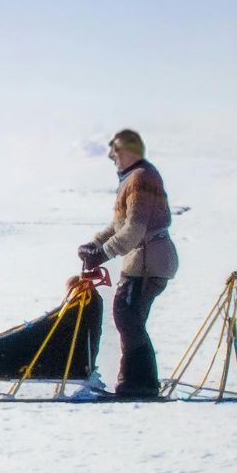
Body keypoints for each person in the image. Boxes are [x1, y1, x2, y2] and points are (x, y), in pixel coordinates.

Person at [79, 129, 178, 399]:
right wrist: (94, 245)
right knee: (129, 317)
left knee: (129, 317)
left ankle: (139, 384)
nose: (112, 158)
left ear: (127, 152)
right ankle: (138, 382)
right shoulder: (133, 178)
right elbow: (118, 225)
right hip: (144, 259)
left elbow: (135, 228)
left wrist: (102, 254)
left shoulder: (140, 178)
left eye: (115, 152)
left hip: (148, 261)